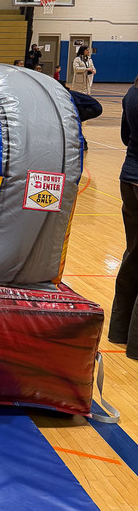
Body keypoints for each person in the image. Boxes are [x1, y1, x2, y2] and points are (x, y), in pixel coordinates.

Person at [109, 79, 138, 358]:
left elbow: (124, 136)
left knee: (133, 254)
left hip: (128, 178)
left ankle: (119, 330)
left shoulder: (131, 94)